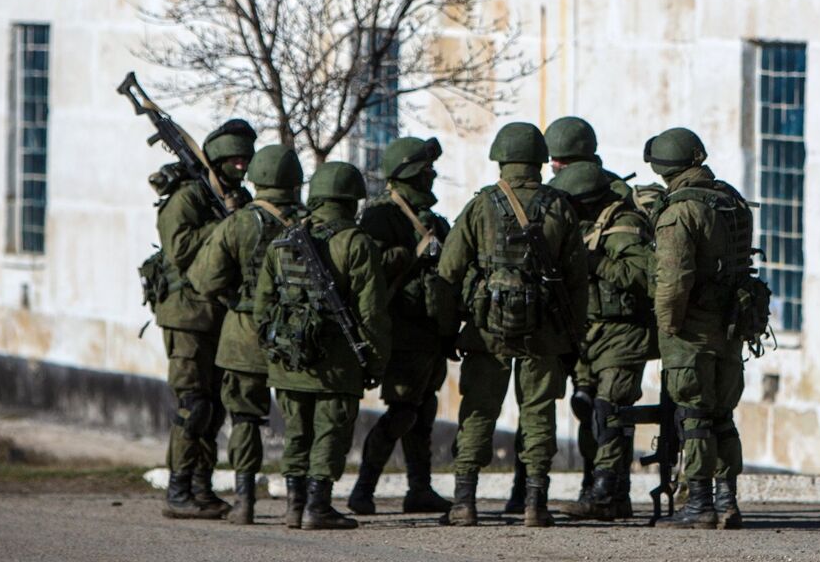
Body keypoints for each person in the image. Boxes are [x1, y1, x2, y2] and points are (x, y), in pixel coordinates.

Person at [437, 122, 588, 528]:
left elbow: (448, 272)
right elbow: (577, 280)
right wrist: (574, 335)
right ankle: (535, 504)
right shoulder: (559, 206)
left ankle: (464, 503)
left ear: (501, 159)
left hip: (488, 330)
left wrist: (448, 329)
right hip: (544, 331)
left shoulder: (480, 206)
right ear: (540, 160)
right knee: (539, 413)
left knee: (478, 412)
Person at [252, 161, 390, 531]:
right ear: (352, 200)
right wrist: (375, 363)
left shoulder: (283, 240)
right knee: (331, 431)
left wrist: (277, 350)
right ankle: (318, 506)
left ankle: (294, 508)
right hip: (337, 362)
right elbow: (372, 312)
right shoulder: (356, 243)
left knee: (296, 432)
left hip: (289, 360)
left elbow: (262, 305)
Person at [185, 143, 305, 524]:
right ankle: (298, 504)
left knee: (244, 419)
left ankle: (244, 502)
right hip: (299, 336)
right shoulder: (310, 222)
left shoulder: (238, 223)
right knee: (300, 420)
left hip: (244, 333)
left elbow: (204, 280)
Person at [646, 126, 754, 530]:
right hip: (731, 325)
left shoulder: (678, 211)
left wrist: (667, 326)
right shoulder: (731, 201)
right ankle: (728, 502)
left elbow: (673, 279)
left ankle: (700, 506)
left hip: (693, 328)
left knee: (694, 417)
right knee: (723, 416)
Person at [346, 136, 456, 517]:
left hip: (431, 331)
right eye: (425, 170)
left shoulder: (434, 220)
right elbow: (367, 268)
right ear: (408, 173)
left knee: (423, 412)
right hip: (402, 330)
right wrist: (410, 254)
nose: (432, 176)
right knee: (403, 411)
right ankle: (363, 489)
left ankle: (419, 488)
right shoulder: (381, 215)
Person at [151, 118, 255, 520]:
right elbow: (181, 249)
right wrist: (226, 223)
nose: (241, 167)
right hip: (186, 316)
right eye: (234, 159)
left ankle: (201, 487)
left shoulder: (234, 197)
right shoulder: (188, 197)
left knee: (214, 406)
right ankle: (178, 490)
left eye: (246, 159)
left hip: (219, 314)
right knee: (192, 405)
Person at [552, 160, 658, 521]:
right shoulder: (583, 226)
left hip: (624, 330)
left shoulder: (625, 227)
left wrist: (596, 263)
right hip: (590, 332)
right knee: (592, 413)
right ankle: (612, 494)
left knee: (610, 411)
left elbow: (642, 276)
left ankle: (603, 493)